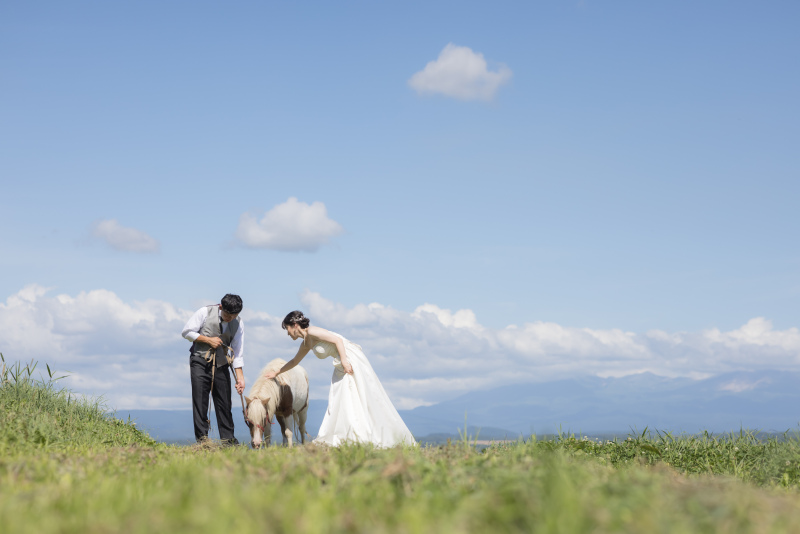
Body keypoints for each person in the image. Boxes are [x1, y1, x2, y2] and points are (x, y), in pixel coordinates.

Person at [264, 311, 416, 447]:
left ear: (295, 325)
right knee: (341, 398)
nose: (288, 333)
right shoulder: (306, 343)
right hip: (339, 362)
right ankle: (351, 434)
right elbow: (294, 362)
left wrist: (344, 361)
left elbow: (337, 340)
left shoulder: (312, 331)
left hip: (348, 357)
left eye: (287, 329)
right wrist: (276, 372)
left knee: (358, 394)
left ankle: (365, 434)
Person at [181, 294, 245, 444]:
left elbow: (238, 351)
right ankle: (203, 441)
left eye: (234, 315)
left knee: (224, 402)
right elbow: (186, 332)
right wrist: (208, 339)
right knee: (200, 401)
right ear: (221, 307)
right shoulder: (204, 312)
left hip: (222, 363)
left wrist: (240, 378)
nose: (230, 318)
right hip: (199, 361)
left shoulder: (239, 323)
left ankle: (228, 441)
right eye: (227, 314)